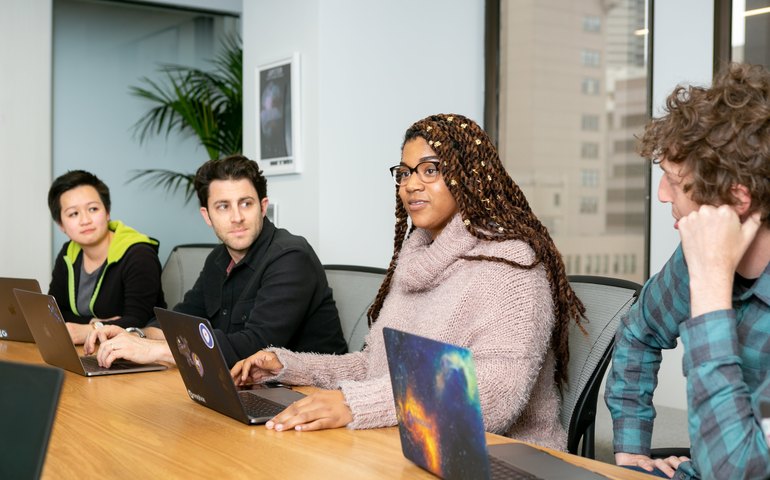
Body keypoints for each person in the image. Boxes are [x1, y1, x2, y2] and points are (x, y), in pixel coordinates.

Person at [231, 113, 586, 450]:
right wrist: (288, 366)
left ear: (469, 177)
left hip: (502, 453)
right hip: (415, 444)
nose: (411, 184)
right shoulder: (415, 261)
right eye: (404, 173)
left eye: (430, 170)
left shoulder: (511, 264)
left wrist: (357, 404)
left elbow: (495, 395)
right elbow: (374, 368)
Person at [604, 63, 770, 479]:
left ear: (738, 198)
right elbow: (639, 332)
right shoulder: (694, 256)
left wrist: (711, 287)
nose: (662, 195)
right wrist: (630, 453)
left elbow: (736, 470)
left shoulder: (706, 265)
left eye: (674, 181)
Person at [84, 155, 347, 367]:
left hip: (310, 396)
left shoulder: (290, 257)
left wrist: (153, 351)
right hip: (248, 389)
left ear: (263, 206)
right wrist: (136, 335)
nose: (236, 217)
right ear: (207, 215)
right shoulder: (218, 259)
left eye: (246, 204)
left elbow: (255, 347)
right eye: (223, 206)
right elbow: (181, 321)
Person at [48, 170, 165, 344]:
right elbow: (55, 312)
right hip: (89, 349)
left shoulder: (139, 254)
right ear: (61, 225)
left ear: (107, 212)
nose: (85, 220)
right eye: (73, 214)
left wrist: (91, 329)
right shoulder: (68, 252)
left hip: (139, 351)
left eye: (93, 209)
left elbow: (138, 321)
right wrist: (94, 324)